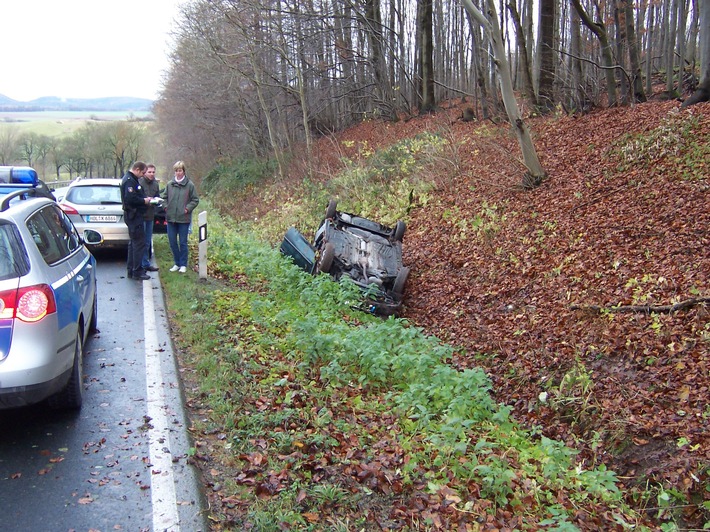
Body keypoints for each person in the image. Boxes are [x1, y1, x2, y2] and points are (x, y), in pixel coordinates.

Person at [161, 161, 199, 273]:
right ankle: (176, 263)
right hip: (171, 218)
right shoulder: (169, 185)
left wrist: (187, 209)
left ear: (184, 171)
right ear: (174, 172)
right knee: (172, 242)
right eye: (176, 171)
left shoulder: (190, 185)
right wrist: (166, 207)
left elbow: (195, 200)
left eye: (180, 170)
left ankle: (183, 264)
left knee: (183, 242)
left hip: (184, 219)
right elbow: (164, 198)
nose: (178, 173)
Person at [120, 161, 154, 281]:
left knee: (133, 243)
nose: (142, 175)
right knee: (138, 243)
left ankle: (132, 269)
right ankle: (137, 271)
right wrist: (144, 201)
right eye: (143, 173)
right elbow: (130, 199)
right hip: (134, 215)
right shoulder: (130, 181)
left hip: (133, 215)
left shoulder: (131, 179)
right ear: (138, 169)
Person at [139, 163, 160, 272]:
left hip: (150, 216)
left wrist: (156, 201)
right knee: (140, 242)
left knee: (147, 241)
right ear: (145, 172)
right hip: (140, 216)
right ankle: (140, 265)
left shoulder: (155, 184)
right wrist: (145, 199)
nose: (151, 174)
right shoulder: (139, 182)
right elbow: (136, 199)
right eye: (149, 172)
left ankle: (146, 263)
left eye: (153, 172)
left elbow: (158, 197)